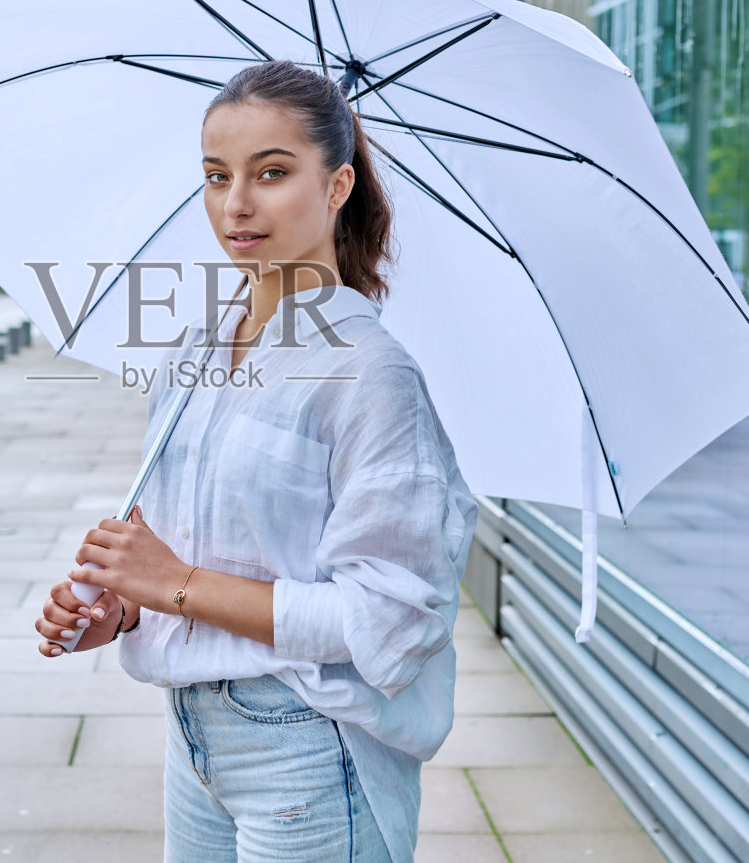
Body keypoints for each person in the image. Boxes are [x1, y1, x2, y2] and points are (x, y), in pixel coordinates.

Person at [33, 59, 478, 862]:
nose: (236, 203)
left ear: (338, 185)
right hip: (193, 744)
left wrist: (173, 583)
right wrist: (125, 608)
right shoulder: (195, 347)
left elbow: (394, 619)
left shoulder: (372, 375)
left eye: (271, 172)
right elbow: (192, 546)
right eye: (216, 175)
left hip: (310, 751)